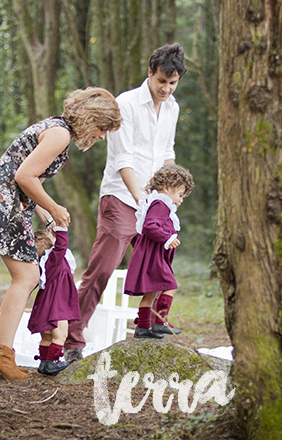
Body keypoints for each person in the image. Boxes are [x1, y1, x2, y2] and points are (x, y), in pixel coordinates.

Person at [0, 88, 121, 380]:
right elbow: (23, 176)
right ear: (90, 118)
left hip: (10, 199)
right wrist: (54, 206)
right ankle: (0, 353)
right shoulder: (59, 135)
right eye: (102, 128)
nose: (102, 136)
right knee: (27, 277)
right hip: (2, 199)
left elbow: (24, 176)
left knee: (27, 276)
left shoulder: (58, 130)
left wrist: (40, 211)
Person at [66, 43, 186, 360]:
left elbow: (167, 153)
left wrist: (169, 195)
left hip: (154, 203)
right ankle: (71, 341)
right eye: (162, 81)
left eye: (172, 83)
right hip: (122, 198)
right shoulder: (127, 104)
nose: (166, 88)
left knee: (159, 267)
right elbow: (123, 158)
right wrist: (142, 200)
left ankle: (150, 326)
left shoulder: (172, 108)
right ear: (150, 72)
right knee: (102, 271)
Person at [123, 165, 193, 338]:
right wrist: (167, 238)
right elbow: (149, 226)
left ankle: (143, 327)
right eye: (180, 194)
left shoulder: (158, 204)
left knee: (151, 292)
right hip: (153, 256)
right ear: (168, 188)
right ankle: (160, 322)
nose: (181, 200)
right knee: (170, 286)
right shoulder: (160, 204)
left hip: (152, 255)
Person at [27, 224, 78, 375]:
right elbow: (62, 245)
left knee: (47, 337)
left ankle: (44, 362)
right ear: (50, 246)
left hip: (45, 306)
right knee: (61, 336)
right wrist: (61, 228)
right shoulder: (55, 260)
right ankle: (52, 362)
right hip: (57, 306)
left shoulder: (45, 264)